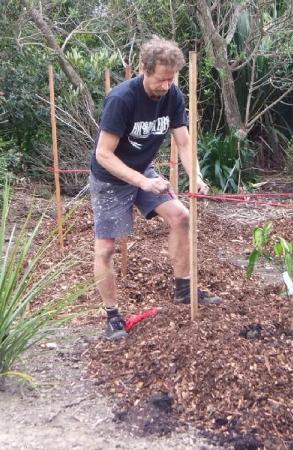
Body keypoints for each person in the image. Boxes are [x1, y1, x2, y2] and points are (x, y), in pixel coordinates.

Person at [90, 37, 221, 341]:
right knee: (106, 249)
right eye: (161, 79)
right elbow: (103, 154)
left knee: (181, 217)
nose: (165, 86)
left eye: (171, 79)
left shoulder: (173, 95)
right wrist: (142, 181)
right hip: (111, 178)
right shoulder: (122, 99)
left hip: (143, 171)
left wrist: (196, 176)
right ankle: (112, 316)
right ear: (144, 70)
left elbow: (184, 142)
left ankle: (183, 289)